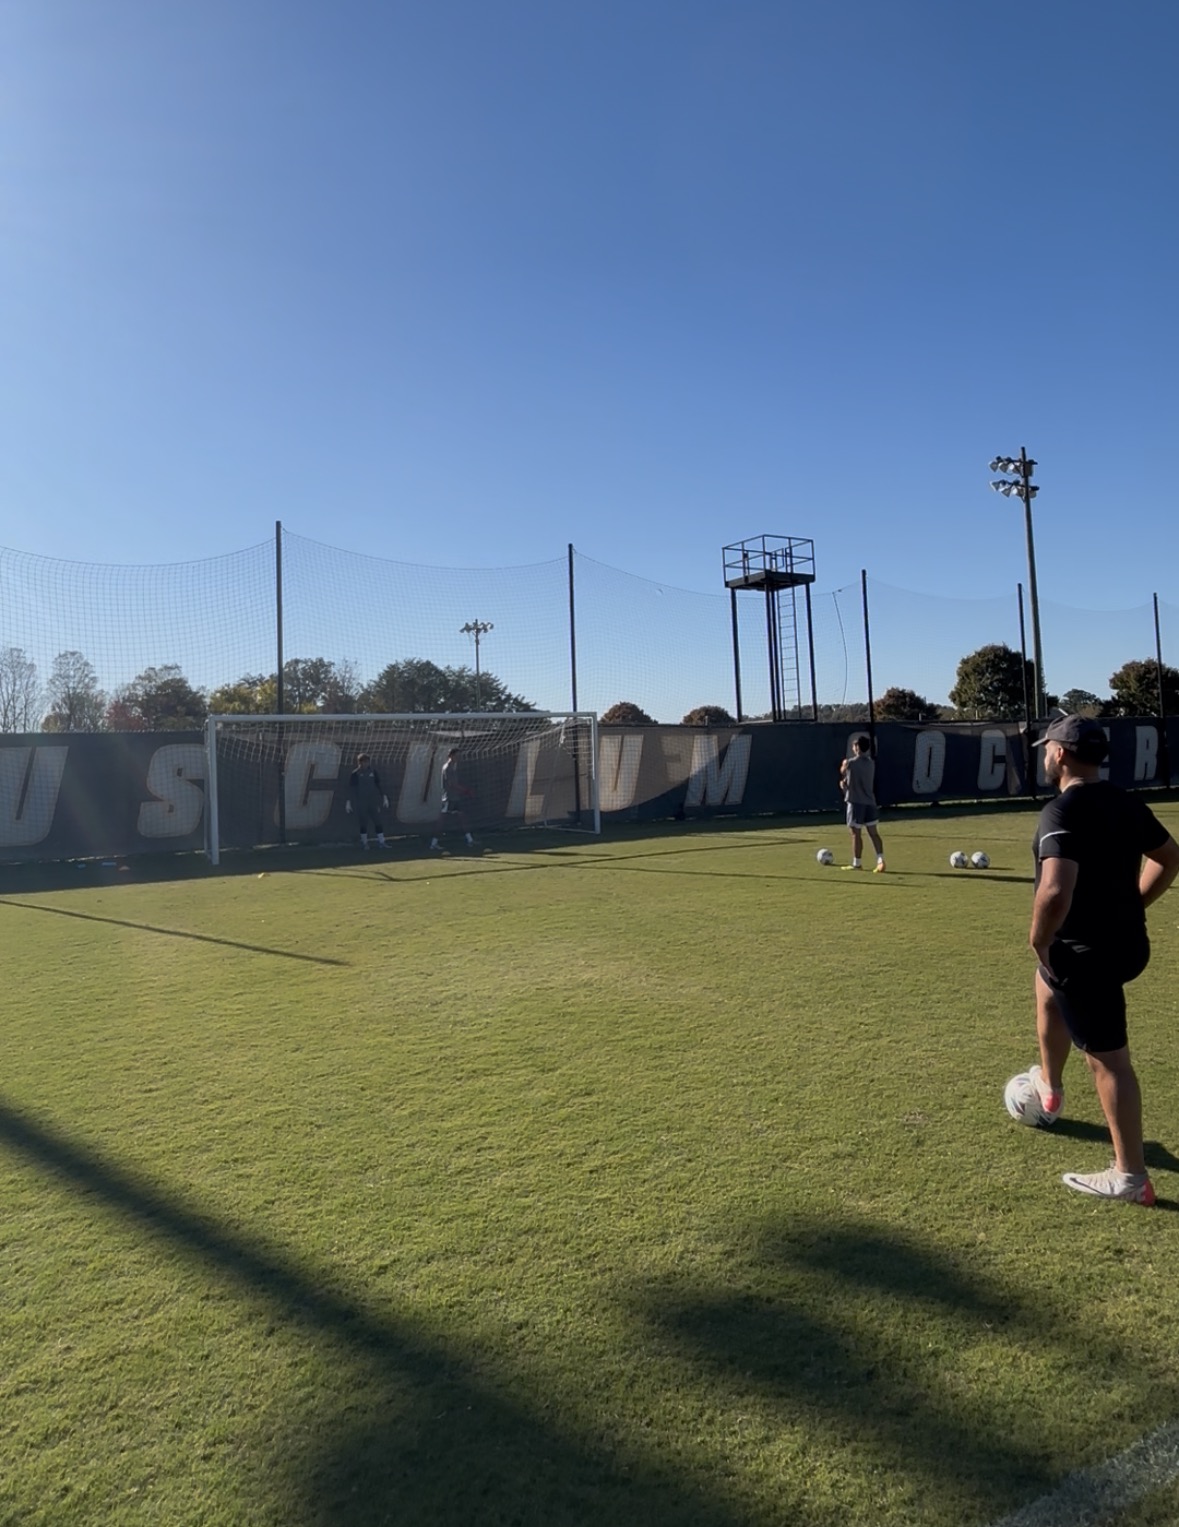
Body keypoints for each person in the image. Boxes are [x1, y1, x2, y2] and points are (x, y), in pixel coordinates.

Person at [1027, 713, 1179, 1204]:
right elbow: (1170, 857)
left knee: (1110, 1061)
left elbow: (1056, 890)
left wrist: (1039, 938)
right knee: (1046, 985)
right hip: (1129, 945)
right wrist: (1136, 903)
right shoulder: (1125, 801)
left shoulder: (1062, 811)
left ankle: (1131, 1177)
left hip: (1087, 956)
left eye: (1047, 749)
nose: (1045, 756)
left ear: (1060, 754)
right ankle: (1050, 1086)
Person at [839, 733, 885, 872]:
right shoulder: (871, 763)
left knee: (855, 834)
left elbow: (843, 771)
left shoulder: (850, 763)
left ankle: (857, 863)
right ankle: (880, 860)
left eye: (854, 746)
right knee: (874, 833)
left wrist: (843, 784)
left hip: (855, 803)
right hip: (870, 802)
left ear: (857, 747)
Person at [428, 747, 476, 852]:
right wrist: (465, 790)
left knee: (462, 818)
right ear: (451, 756)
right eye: (456, 755)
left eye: (459, 756)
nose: (458, 758)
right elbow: (452, 784)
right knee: (441, 822)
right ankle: (433, 843)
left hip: (455, 798)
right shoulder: (447, 767)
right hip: (449, 798)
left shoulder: (453, 767)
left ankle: (470, 840)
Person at [346, 752, 390, 849]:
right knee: (363, 822)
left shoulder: (373, 772)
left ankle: (382, 842)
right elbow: (351, 788)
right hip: (361, 802)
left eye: (367, 762)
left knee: (378, 821)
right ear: (359, 763)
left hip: (372, 801)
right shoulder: (355, 774)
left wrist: (384, 797)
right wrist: (348, 802)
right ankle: (365, 843)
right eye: (364, 762)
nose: (366, 764)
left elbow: (378, 785)